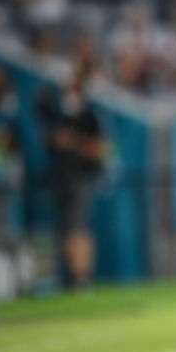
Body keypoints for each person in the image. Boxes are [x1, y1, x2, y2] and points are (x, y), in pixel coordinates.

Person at [37, 57, 106, 289]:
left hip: (81, 177)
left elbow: (99, 148)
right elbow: (50, 141)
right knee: (67, 228)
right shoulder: (57, 112)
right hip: (60, 177)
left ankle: (81, 276)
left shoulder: (89, 114)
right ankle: (73, 277)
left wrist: (73, 142)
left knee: (79, 227)